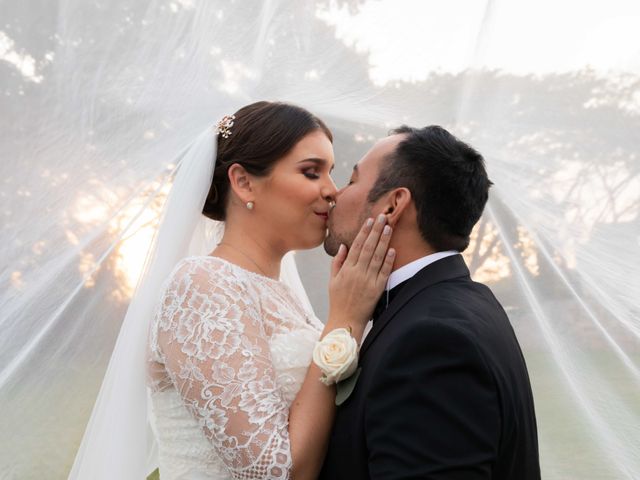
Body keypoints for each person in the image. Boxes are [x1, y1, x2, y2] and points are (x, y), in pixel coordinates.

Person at [146, 101, 395, 479]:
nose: (333, 191)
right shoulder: (201, 287)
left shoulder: (285, 296)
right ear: (244, 181)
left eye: (332, 173)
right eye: (312, 173)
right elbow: (274, 471)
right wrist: (343, 321)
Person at [320, 126, 541, 479]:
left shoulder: (431, 341)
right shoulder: (469, 302)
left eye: (350, 179)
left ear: (393, 204)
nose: (334, 194)